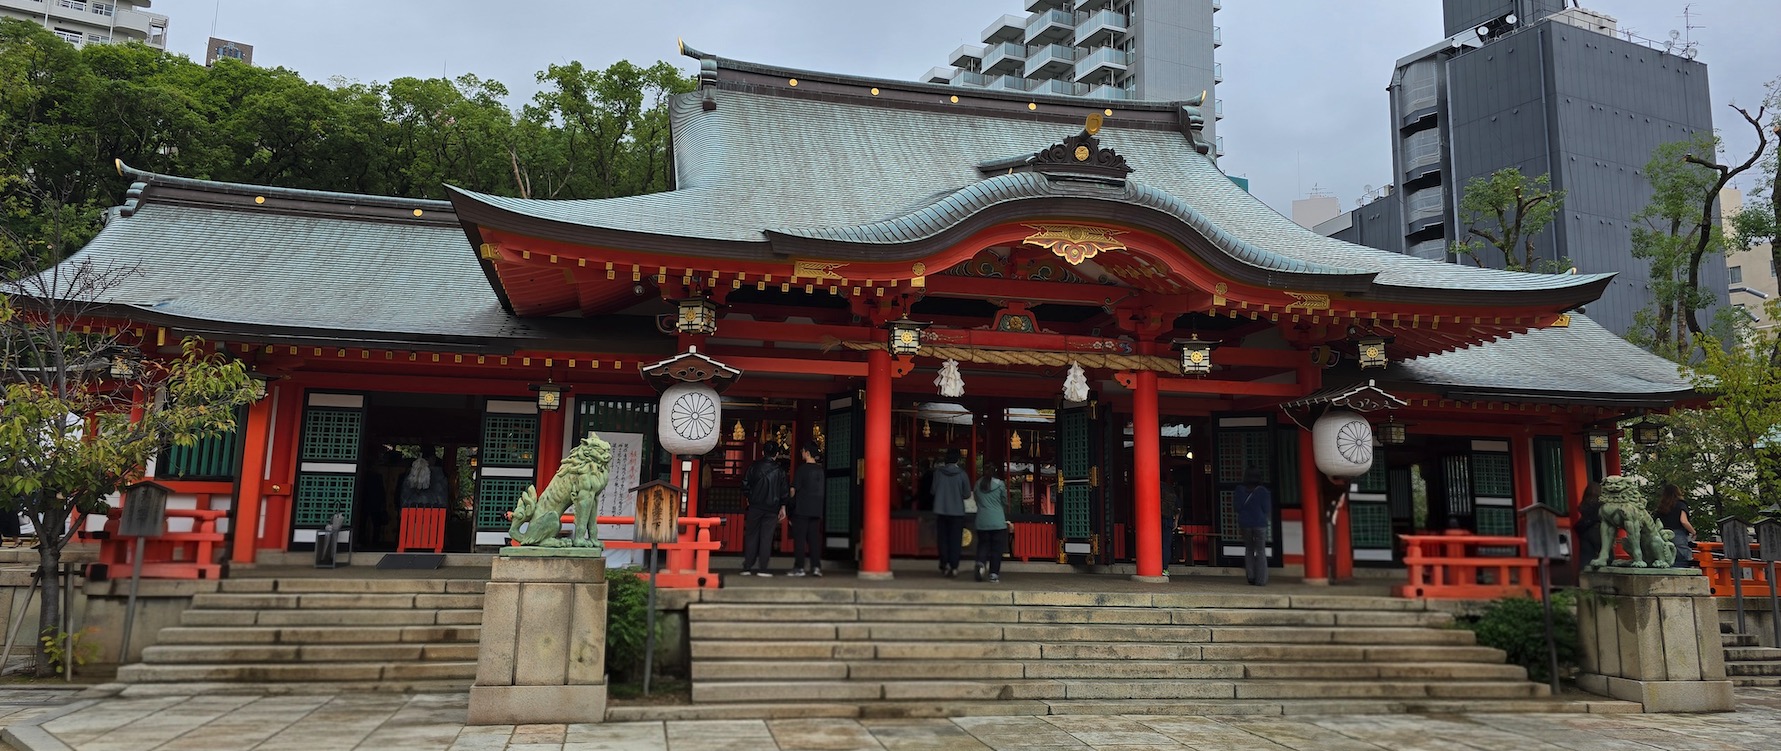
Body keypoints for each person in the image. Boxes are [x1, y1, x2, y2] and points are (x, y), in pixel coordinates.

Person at [740, 442, 789, 577]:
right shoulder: (780, 471)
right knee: (766, 538)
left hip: (755, 507)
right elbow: (784, 491)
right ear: (777, 454)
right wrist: (783, 507)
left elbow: (744, 484)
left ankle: (747, 567)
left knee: (751, 536)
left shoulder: (754, 467)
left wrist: (749, 497)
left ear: (762, 452)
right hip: (772, 508)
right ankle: (763, 569)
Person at [930, 448, 972, 578]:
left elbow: (933, 491)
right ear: (958, 460)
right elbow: (966, 494)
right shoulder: (962, 474)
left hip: (941, 510)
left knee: (942, 539)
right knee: (955, 540)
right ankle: (954, 566)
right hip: (957, 512)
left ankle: (944, 564)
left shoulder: (938, 473)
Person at [789, 442, 826, 577]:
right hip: (816, 509)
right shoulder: (820, 471)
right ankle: (816, 567)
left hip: (802, 509)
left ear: (807, 453)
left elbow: (793, 489)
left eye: (803, 451)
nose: (802, 453)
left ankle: (800, 567)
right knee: (814, 540)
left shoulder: (802, 470)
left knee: (800, 540)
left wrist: (790, 503)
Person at [1236, 466, 1272, 586]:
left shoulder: (1240, 490)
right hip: (1260, 523)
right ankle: (1261, 579)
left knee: (1249, 549)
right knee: (1261, 551)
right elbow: (1266, 508)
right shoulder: (1263, 491)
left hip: (1245, 523)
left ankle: (1251, 576)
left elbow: (1237, 507)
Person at [972, 470, 1008, 583]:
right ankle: (993, 574)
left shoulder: (978, 484)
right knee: (996, 549)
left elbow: (976, 500)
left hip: (982, 519)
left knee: (983, 544)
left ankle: (981, 563)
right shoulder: (1000, 484)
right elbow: (1004, 500)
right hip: (998, 521)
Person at [1655, 483, 1695, 568]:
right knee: (1682, 558)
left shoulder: (1660, 508)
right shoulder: (1680, 504)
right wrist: (1693, 531)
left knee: (1666, 557)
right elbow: (1684, 521)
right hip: (1677, 534)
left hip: (1662, 535)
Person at [1574, 481, 1603, 570]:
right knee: (1605, 555)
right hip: (1599, 530)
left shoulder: (1584, 504)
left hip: (1585, 532)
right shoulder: (1601, 504)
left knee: (1586, 558)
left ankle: (1584, 578)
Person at [1160, 480, 1181, 576]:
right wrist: (1176, 521)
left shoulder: (1157, 491)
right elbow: (1178, 509)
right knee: (1166, 546)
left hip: (1154, 521)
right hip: (1168, 521)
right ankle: (1164, 569)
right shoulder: (1171, 493)